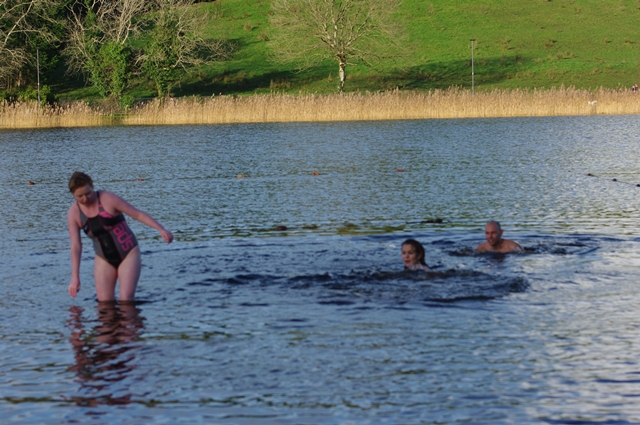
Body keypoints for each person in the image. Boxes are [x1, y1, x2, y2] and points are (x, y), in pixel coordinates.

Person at [67, 172, 173, 301]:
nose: (85, 199)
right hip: (103, 259)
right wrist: (75, 277)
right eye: (80, 196)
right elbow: (76, 246)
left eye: (88, 193)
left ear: (92, 187)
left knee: (126, 300)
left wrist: (161, 229)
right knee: (104, 304)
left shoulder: (108, 199)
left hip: (128, 253)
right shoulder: (74, 214)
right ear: (73, 195)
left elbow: (137, 214)